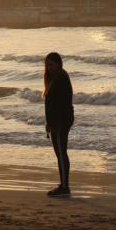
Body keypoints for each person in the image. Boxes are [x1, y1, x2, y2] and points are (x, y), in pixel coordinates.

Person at [43, 52, 74, 197]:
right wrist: (49, 123)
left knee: (61, 153)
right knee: (59, 153)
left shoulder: (61, 78)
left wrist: (55, 123)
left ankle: (65, 187)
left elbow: (62, 104)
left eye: (52, 64)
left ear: (58, 64)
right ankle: (63, 184)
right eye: (47, 65)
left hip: (62, 121)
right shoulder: (53, 78)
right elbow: (51, 105)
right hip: (56, 121)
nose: (49, 68)